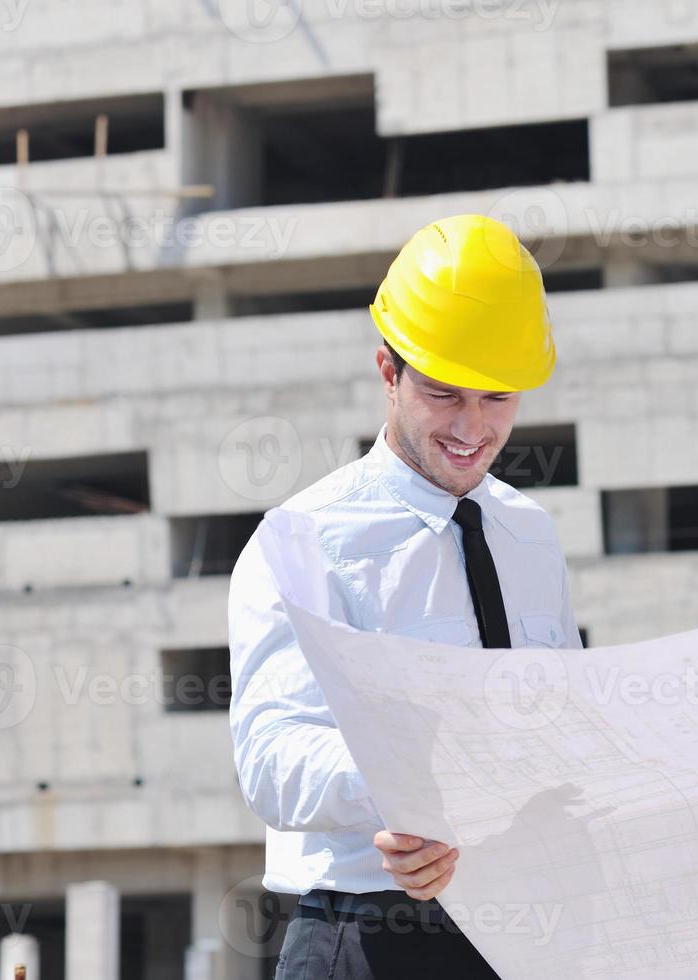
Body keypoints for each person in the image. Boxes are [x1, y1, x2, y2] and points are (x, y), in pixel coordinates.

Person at [228, 214, 581, 979]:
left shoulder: (530, 533)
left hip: (525, 930)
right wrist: (406, 792)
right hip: (370, 937)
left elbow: (561, 709)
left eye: (497, 399)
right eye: (444, 395)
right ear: (388, 371)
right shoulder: (303, 538)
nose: (472, 428)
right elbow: (271, 753)